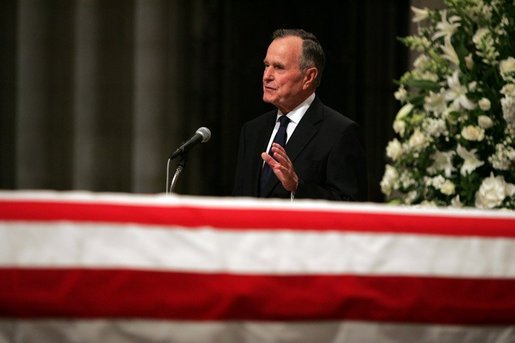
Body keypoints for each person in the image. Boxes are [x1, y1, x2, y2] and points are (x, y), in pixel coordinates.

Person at [233, 28, 368, 201]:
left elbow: (350, 207)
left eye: (279, 67)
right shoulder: (252, 131)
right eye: (266, 65)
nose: (267, 76)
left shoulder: (340, 133)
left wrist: (297, 187)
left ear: (309, 77)